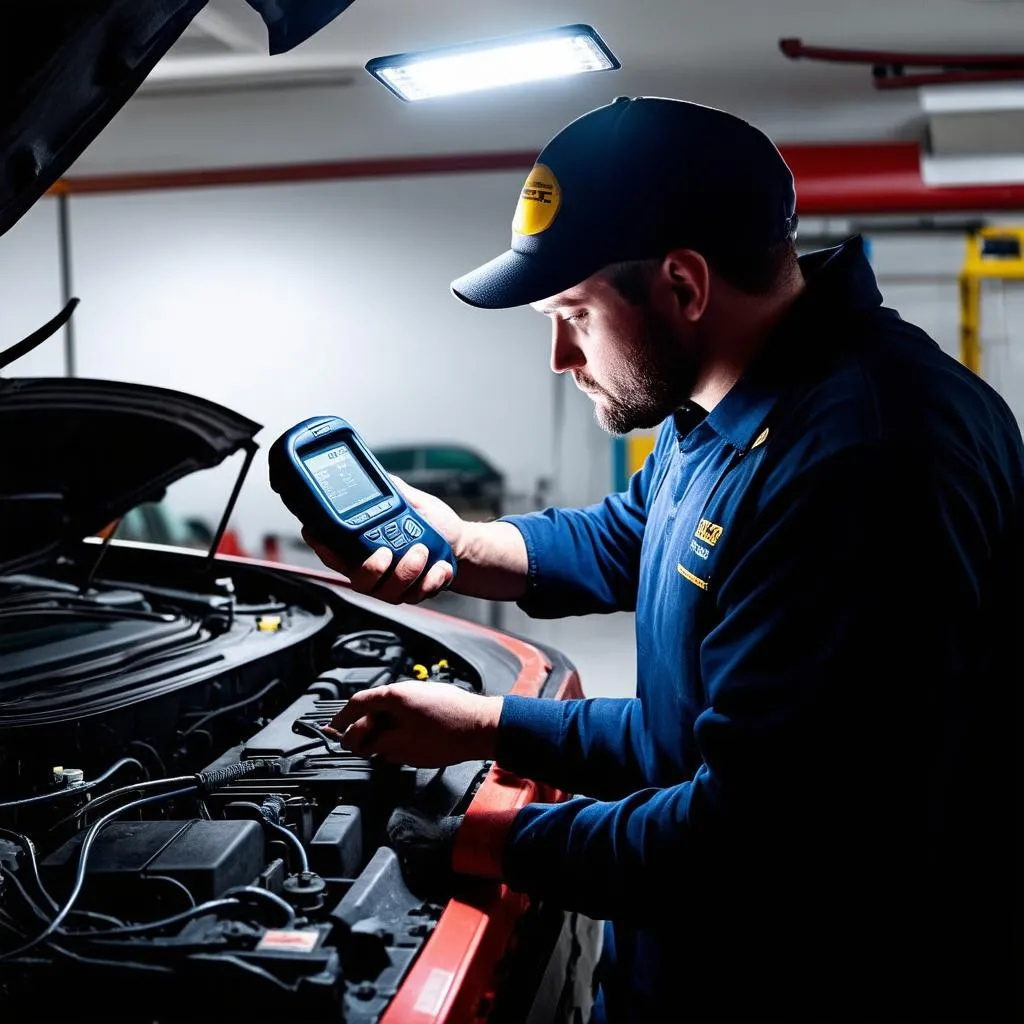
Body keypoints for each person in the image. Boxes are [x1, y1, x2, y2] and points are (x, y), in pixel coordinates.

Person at [304, 96, 1023, 1022]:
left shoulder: (865, 462)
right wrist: (482, 686)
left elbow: (755, 841)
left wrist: (491, 836)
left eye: (573, 313)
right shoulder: (724, 405)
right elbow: (633, 558)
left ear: (683, 286)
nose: (560, 356)